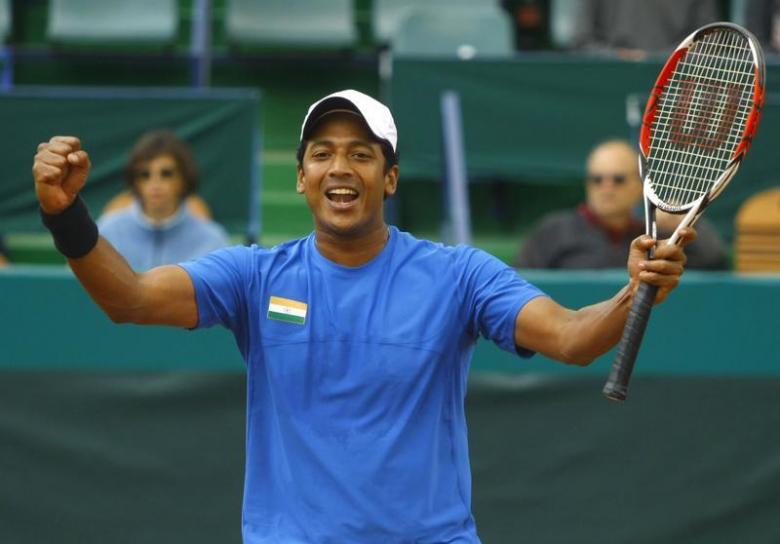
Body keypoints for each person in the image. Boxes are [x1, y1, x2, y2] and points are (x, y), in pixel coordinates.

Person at [33, 90, 694, 543]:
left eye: (361, 153)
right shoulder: (253, 276)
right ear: (300, 177)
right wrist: (66, 214)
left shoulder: (459, 274)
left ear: (391, 177)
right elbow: (130, 299)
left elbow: (574, 339)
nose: (339, 167)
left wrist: (633, 292)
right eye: (322, 152)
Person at [515, 139, 728, 270]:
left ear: (639, 186)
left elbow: (715, 264)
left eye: (618, 180)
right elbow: (521, 287)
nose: (606, 189)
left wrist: (687, 223)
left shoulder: (653, 237)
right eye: (597, 179)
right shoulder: (554, 231)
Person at [96, 130, 229, 270]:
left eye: (166, 173)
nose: (155, 183)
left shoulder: (212, 240)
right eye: (144, 174)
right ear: (135, 182)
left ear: (183, 179)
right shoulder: (106, 234)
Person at [571, 0, 720, 60]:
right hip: (608, 85)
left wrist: (662, 58)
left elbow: (709, 43)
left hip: (675, 87)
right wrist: (617, 55)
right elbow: (581, 43)